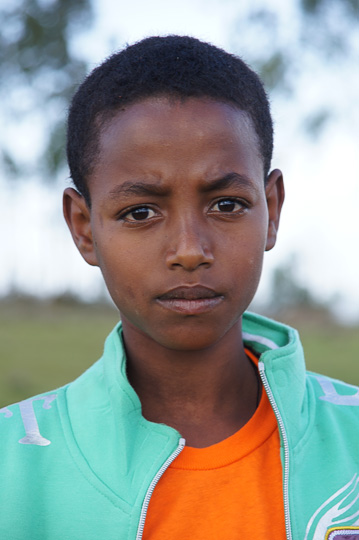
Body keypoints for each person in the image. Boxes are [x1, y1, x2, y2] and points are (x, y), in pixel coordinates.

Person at [0, 35, 358, 540]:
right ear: (84, 228)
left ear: (272, 209)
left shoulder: (351, 444)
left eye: (227, 204)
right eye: (140, 212)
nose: (189, 249)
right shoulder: (11, 470)